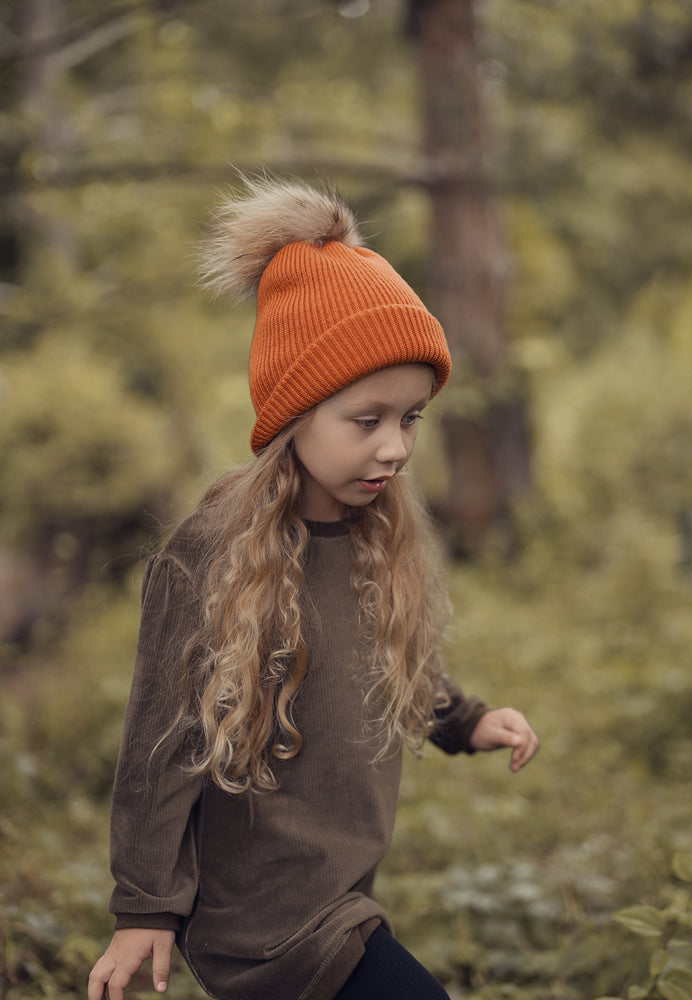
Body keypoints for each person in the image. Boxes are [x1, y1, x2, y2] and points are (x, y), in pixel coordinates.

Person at [88, 175, 539, 1000]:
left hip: (337, 892)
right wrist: (144, 908)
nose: (396, 448)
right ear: (293, 413)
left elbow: (385, 656)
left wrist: (465, 720)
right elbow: (162, 739)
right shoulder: (213, 551)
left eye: (410, 419)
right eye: (366, 420)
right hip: (259, 915)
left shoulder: (377, 527)